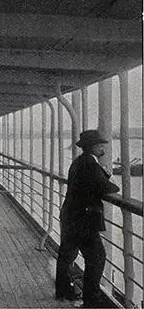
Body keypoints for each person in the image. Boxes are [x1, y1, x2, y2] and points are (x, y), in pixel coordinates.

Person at [55, 130, 120, 307]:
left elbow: (92, 183)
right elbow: (106, 187)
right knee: (97, 257)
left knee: (67, 255)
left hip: (71, 215)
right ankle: (91, 299)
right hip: (84, 219)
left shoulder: (79, 162)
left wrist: (103, 175)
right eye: (99, 145)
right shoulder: (90, 163)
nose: (102, 147)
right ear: (91, 146)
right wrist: (110, 181)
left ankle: (63, 291)